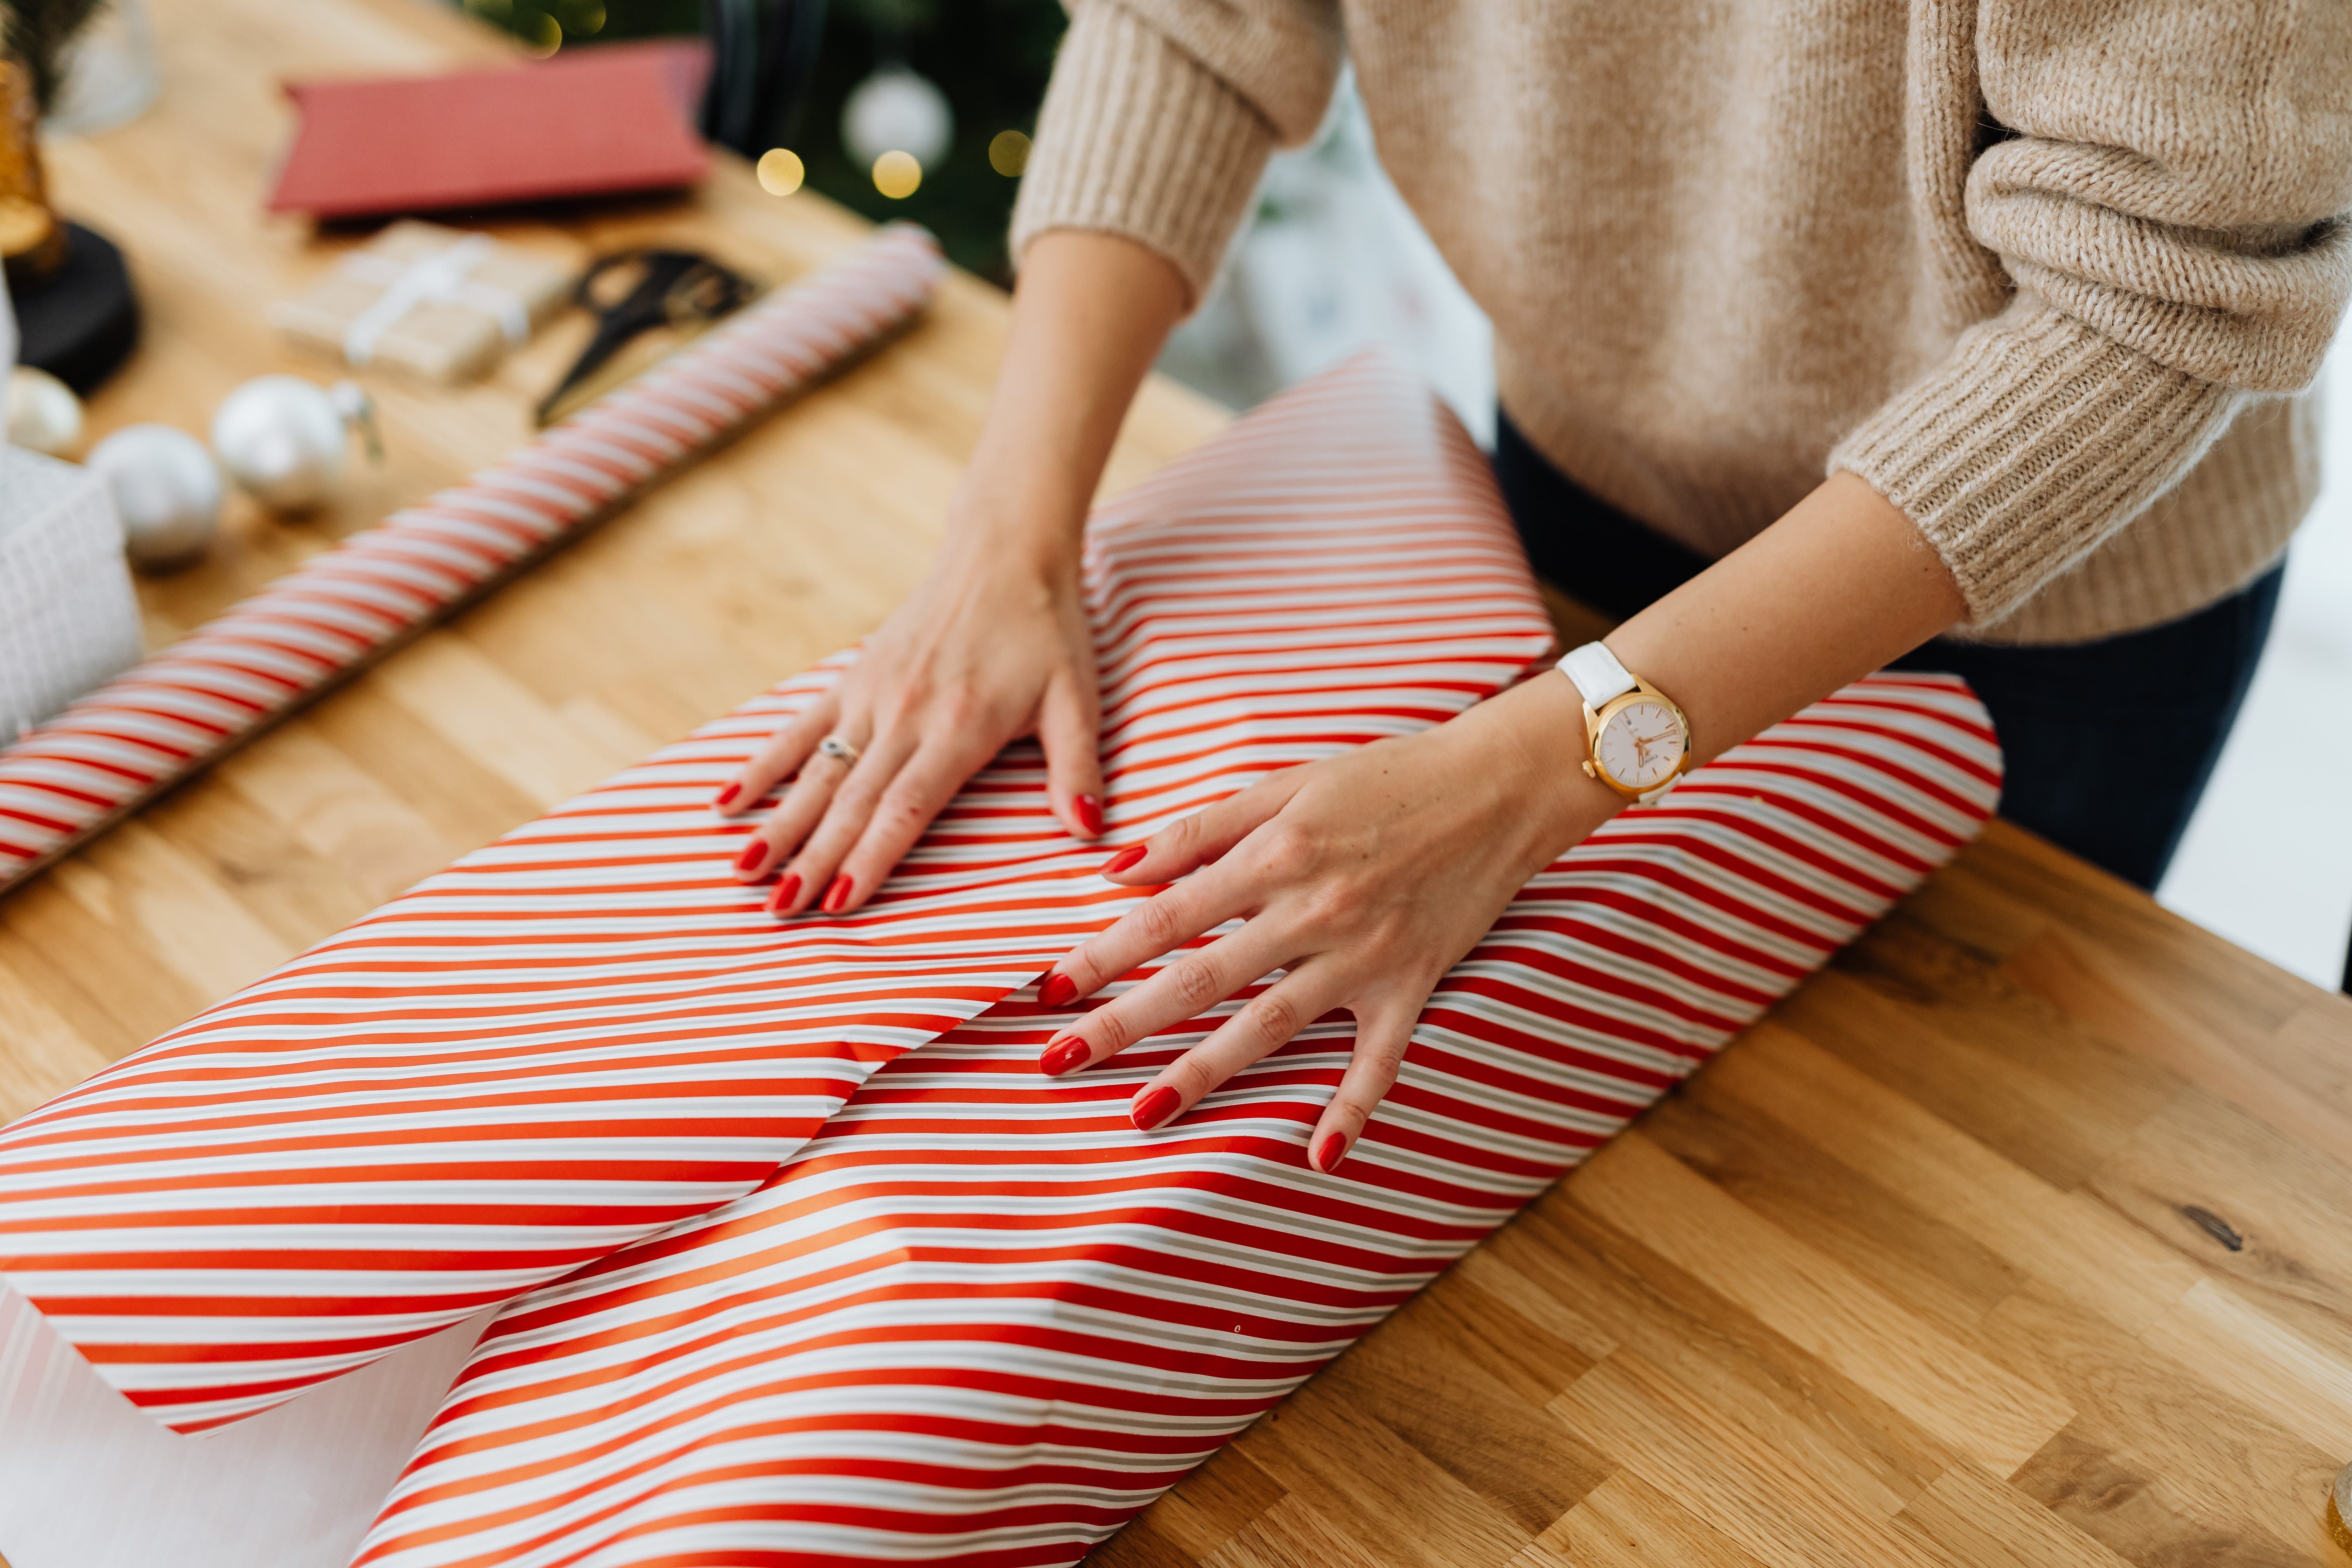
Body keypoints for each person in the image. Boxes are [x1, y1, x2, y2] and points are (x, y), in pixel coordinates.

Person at [719, 2, 2352, 1168]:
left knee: (1891, 1184)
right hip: (1579, 474)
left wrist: (1533, 771)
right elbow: (1194, 21)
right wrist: (1007, 538)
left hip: (2039, 606)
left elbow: (2147, 305)